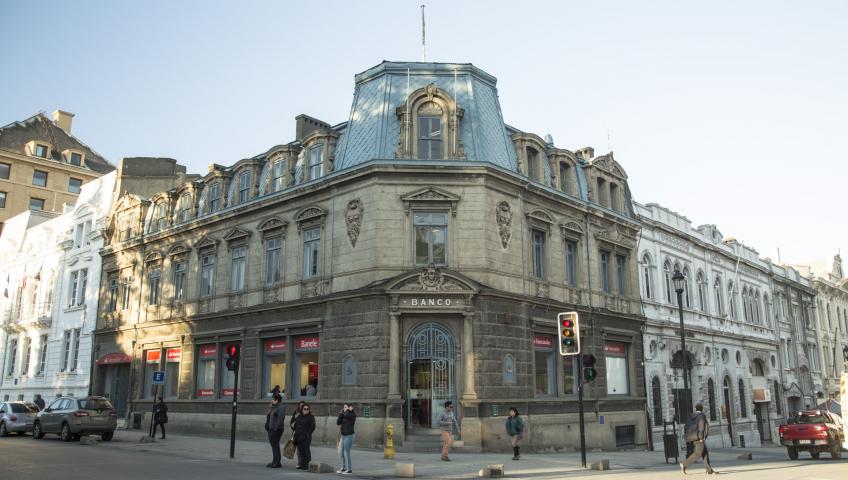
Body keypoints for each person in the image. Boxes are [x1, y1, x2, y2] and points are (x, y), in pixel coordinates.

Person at [680, 403, 714, 475]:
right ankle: (684, 464)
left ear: (695, 409)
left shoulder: (690, 416)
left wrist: (686, 437)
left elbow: (686, 426)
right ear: (702, 409)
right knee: (698, 454)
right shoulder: (701, 416)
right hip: (698, 438)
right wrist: (702, 438)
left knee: (705, 453)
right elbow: (701, 427)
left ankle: (709, 470)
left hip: (690, 437)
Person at [265, 393, 286, 468]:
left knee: (275, 445)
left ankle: (277, 462)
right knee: (273, 446)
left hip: (276, 430)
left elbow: (280, 420)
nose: (272, 401)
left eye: (273, 399)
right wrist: (271, 407)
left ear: (277, 400)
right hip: (271, 429)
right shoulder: (274, 407)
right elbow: (269, 416)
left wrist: (275, 429)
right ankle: (274, 461)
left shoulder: (281, 407)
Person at [293, 402, 316, 470]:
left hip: (306, 437)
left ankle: (308, 465)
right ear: (302, 409)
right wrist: (295, 437)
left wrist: (308, 434)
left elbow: (313, 426)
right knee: (301, 451)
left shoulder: (311, 417)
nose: (306, 410)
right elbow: (296, 426)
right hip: (299, 437)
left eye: (307, 409)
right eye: (304, 409)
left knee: (306, 451)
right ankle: (302, 464)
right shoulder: (299, 416)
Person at [336, 403, 356, 475]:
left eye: (346, 407)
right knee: (340, 452)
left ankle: (349, 469)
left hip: (349, 435)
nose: (345, 408)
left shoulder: (352, 415)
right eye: (344, 407)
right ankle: (343, 467)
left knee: (346, 452)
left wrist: (347, 411)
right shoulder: (343, 415)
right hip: (343, 436)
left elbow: (347, 415)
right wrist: (341, 414)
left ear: (351, 408)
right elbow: (338, 423)